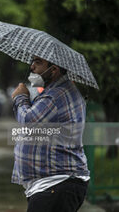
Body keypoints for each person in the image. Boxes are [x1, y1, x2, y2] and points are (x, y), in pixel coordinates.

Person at [11, 56, 89, 212]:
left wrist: (20, 97)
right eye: (32, 62)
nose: (32, 67)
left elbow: (28, 121)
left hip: (56, 185)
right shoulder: (56, 92)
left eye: (38, 63)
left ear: (53, 70)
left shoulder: (56, 96)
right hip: (54, 185)